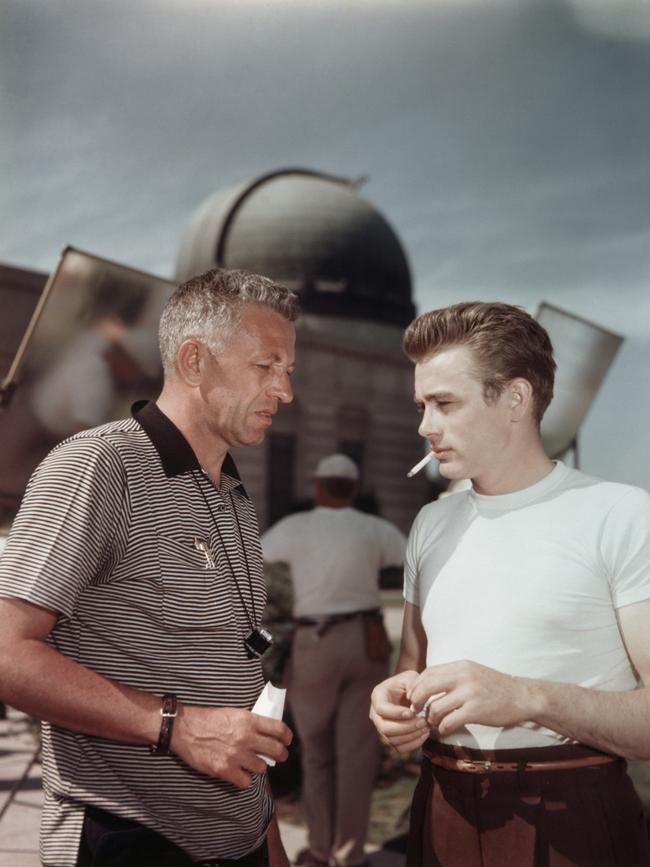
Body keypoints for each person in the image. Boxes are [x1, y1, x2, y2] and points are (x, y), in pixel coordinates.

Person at [0, 268, 300, 867]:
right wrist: (177, 727)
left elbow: (230, 676)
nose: (285, 390)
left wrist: (265, 837)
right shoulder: (97, 466)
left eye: (288, 371)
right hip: (128, 839)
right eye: (266, 366)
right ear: (193, 361)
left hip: (238, 840)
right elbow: (7, 653)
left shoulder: (231, 493)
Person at [369, 302, 650, 867]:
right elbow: (412, 665)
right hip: (441, 805)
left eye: (445, 403)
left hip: (573, 817)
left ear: (516, 398)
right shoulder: (430, 523)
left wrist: (524, 697)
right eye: (423, 405)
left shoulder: (621, 514)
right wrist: (393, 702)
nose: (425, 426)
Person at [262, 454, 407, 867]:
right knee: (357, 754)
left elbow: (259, 557)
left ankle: (321, 849)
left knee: (317, 752)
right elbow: (410, 558)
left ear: (319, 486)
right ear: (355, 488)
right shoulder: (374, 529)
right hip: (365, 640)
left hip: (316, 641)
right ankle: (350, 852)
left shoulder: (297, 527)